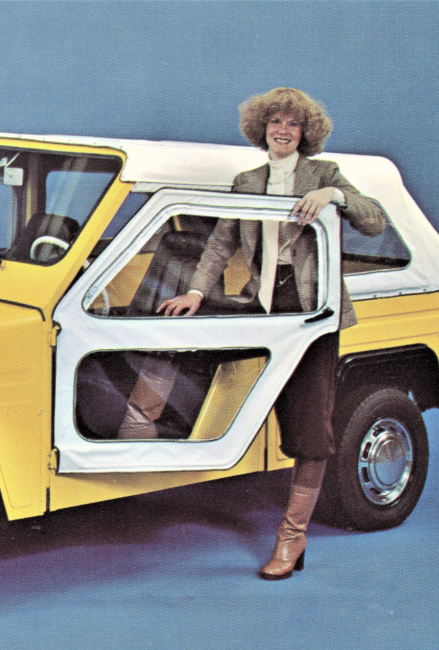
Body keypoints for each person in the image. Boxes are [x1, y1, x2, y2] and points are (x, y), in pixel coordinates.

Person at [136, 88, 386, 579]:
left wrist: (333, 197)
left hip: (312, 313)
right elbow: (221, 242)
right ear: (261, 128)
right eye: (275, 122)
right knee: (182, 335)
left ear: (306, 132)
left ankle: (291, 539)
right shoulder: (247, 180)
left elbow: (374, 222)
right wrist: (196, 294)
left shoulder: (324, 174)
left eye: (293, 124)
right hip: (262, 302)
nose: (283, 130)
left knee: (310, 426)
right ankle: (135, 436)